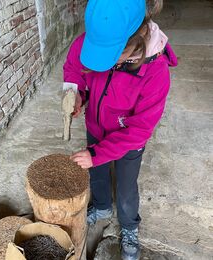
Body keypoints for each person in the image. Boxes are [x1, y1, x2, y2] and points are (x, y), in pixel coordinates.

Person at [64, 0, 178, 259]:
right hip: (96, 125)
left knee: (126, 186)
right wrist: (77, 93)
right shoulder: (95, 37)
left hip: (129, 139)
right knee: (97, 173)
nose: (101, 63)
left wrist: (97, 154)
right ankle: (102, 207)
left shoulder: (155, 72)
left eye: (109, 57)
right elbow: (74, 67)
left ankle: (129, 226)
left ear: (135, 44)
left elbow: (140, 129)